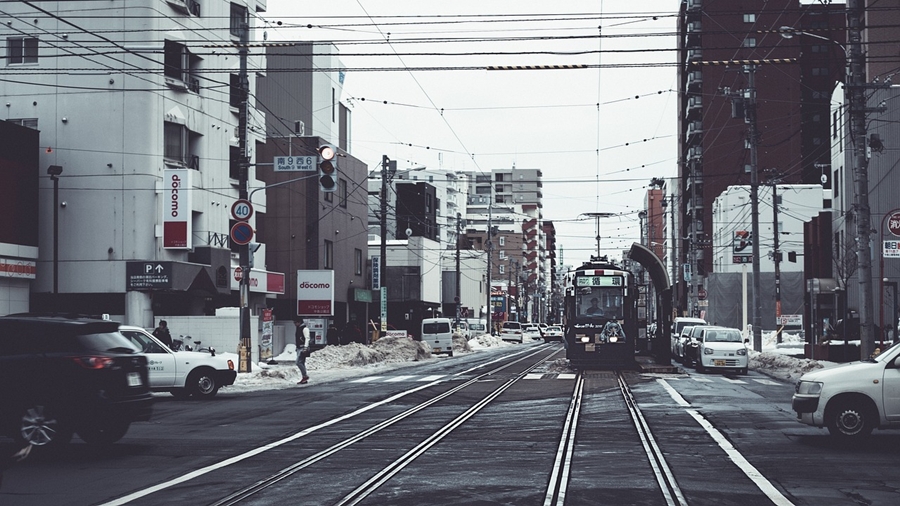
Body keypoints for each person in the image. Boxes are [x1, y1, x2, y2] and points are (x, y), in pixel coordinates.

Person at [294, 318, 310, 384]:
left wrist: (305, 347)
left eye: (295, 322)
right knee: (301, 362)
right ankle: (304, 377)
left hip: (303, 347)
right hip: (299, 347)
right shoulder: (299, 328)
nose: (295, 324)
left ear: (299, 322)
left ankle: (305, 376)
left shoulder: (304, 329)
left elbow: (307, 338)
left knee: (298, 362)